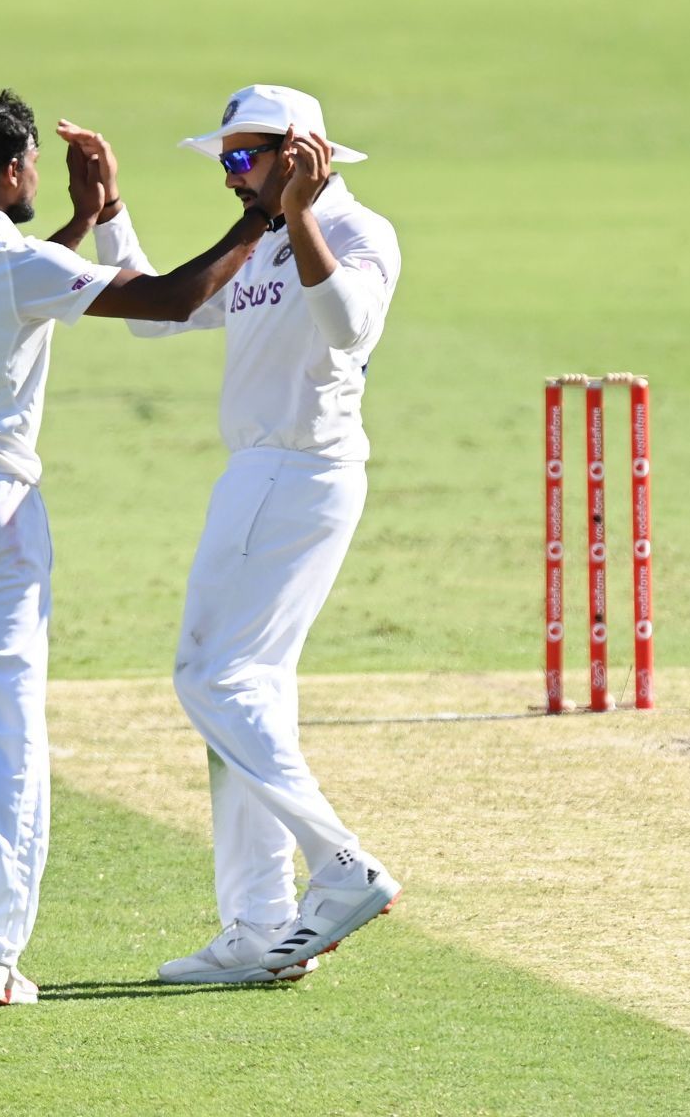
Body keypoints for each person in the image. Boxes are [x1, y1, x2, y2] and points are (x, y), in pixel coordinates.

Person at [0, 90, 267, 1005]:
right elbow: (169, 297)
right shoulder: (14, 263)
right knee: (4, 726)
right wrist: (258, 220)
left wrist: (80, 221)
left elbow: (10, 298)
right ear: (10, 172)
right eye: (32, 164)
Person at [86, 84, 404, 984]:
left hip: (298, 470)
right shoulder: (262, 240)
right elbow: (167, 314)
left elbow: (346, 329)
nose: (229, 178)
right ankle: (259, 928)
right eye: (224, 159)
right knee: (244, 695)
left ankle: (339, 866)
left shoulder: (356, 231)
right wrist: (112, 214)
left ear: (300, 153)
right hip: (258, 474)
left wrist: (300, 216)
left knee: (210, 678)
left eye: (243, 158)